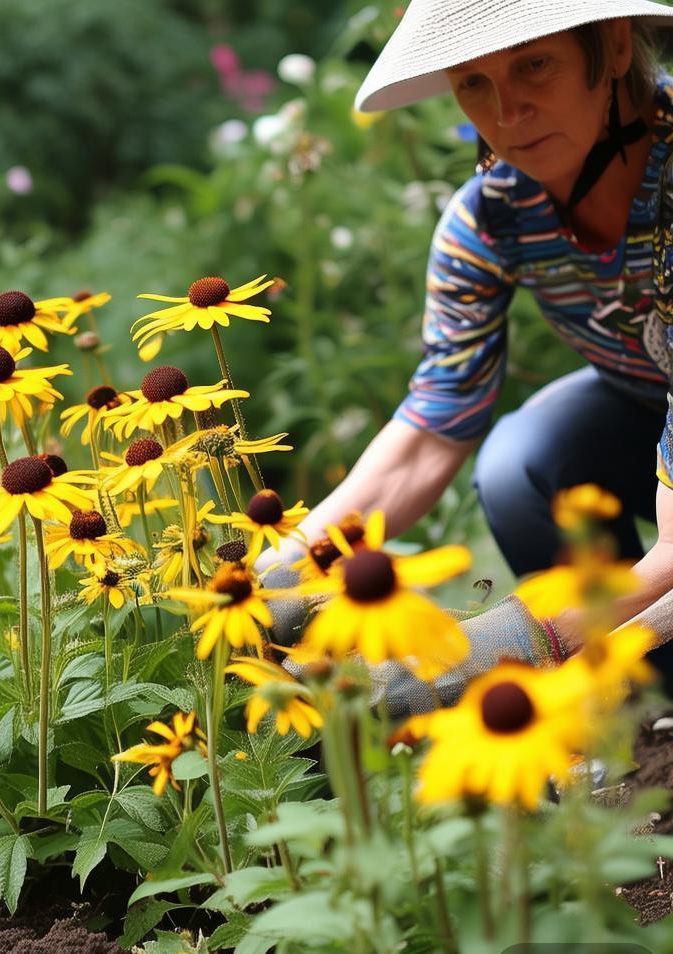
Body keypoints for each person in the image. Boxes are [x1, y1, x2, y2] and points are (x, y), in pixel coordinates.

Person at [263, 0, 673, 707]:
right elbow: (430, 431)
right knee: (519, 463)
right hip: (645, 407)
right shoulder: (491, 218)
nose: (507, 113)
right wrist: (280, 576)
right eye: (473, 82)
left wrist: (491, 653)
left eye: (534, 65)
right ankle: (643, 705)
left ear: (611, 47)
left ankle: (601, 669)